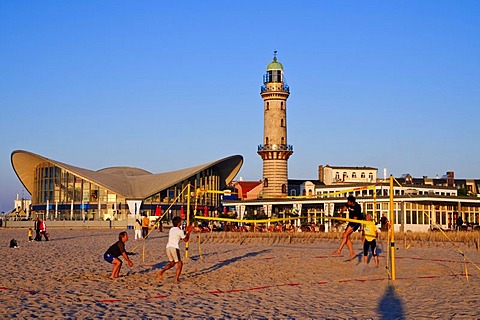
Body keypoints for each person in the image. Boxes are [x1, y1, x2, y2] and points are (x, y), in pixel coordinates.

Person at [158, 216, 192, 283]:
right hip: (174, 247)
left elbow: (179, 234)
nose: (181, 223)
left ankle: (161, 272)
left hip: (168, 247)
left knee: (172, 263)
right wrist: (189, 233)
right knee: (180, 264)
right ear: (179, 223)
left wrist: (186, 232)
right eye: (181, 222)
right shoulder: (180, 231)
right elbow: (186, 240)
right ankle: (176, 279)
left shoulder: (171, 229)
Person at [332, 195, 363, 260]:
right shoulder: (348, 204)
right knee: (346, 236)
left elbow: (355, 218)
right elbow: (342, 210)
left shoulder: (357, 207)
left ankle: (339, 250)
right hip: (351, 221)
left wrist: (345, 220)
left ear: (352, 202)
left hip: (356, 222)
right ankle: (352, 253)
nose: (347, 202)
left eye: (348, 201)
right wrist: (340, 216)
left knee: (345, 235)